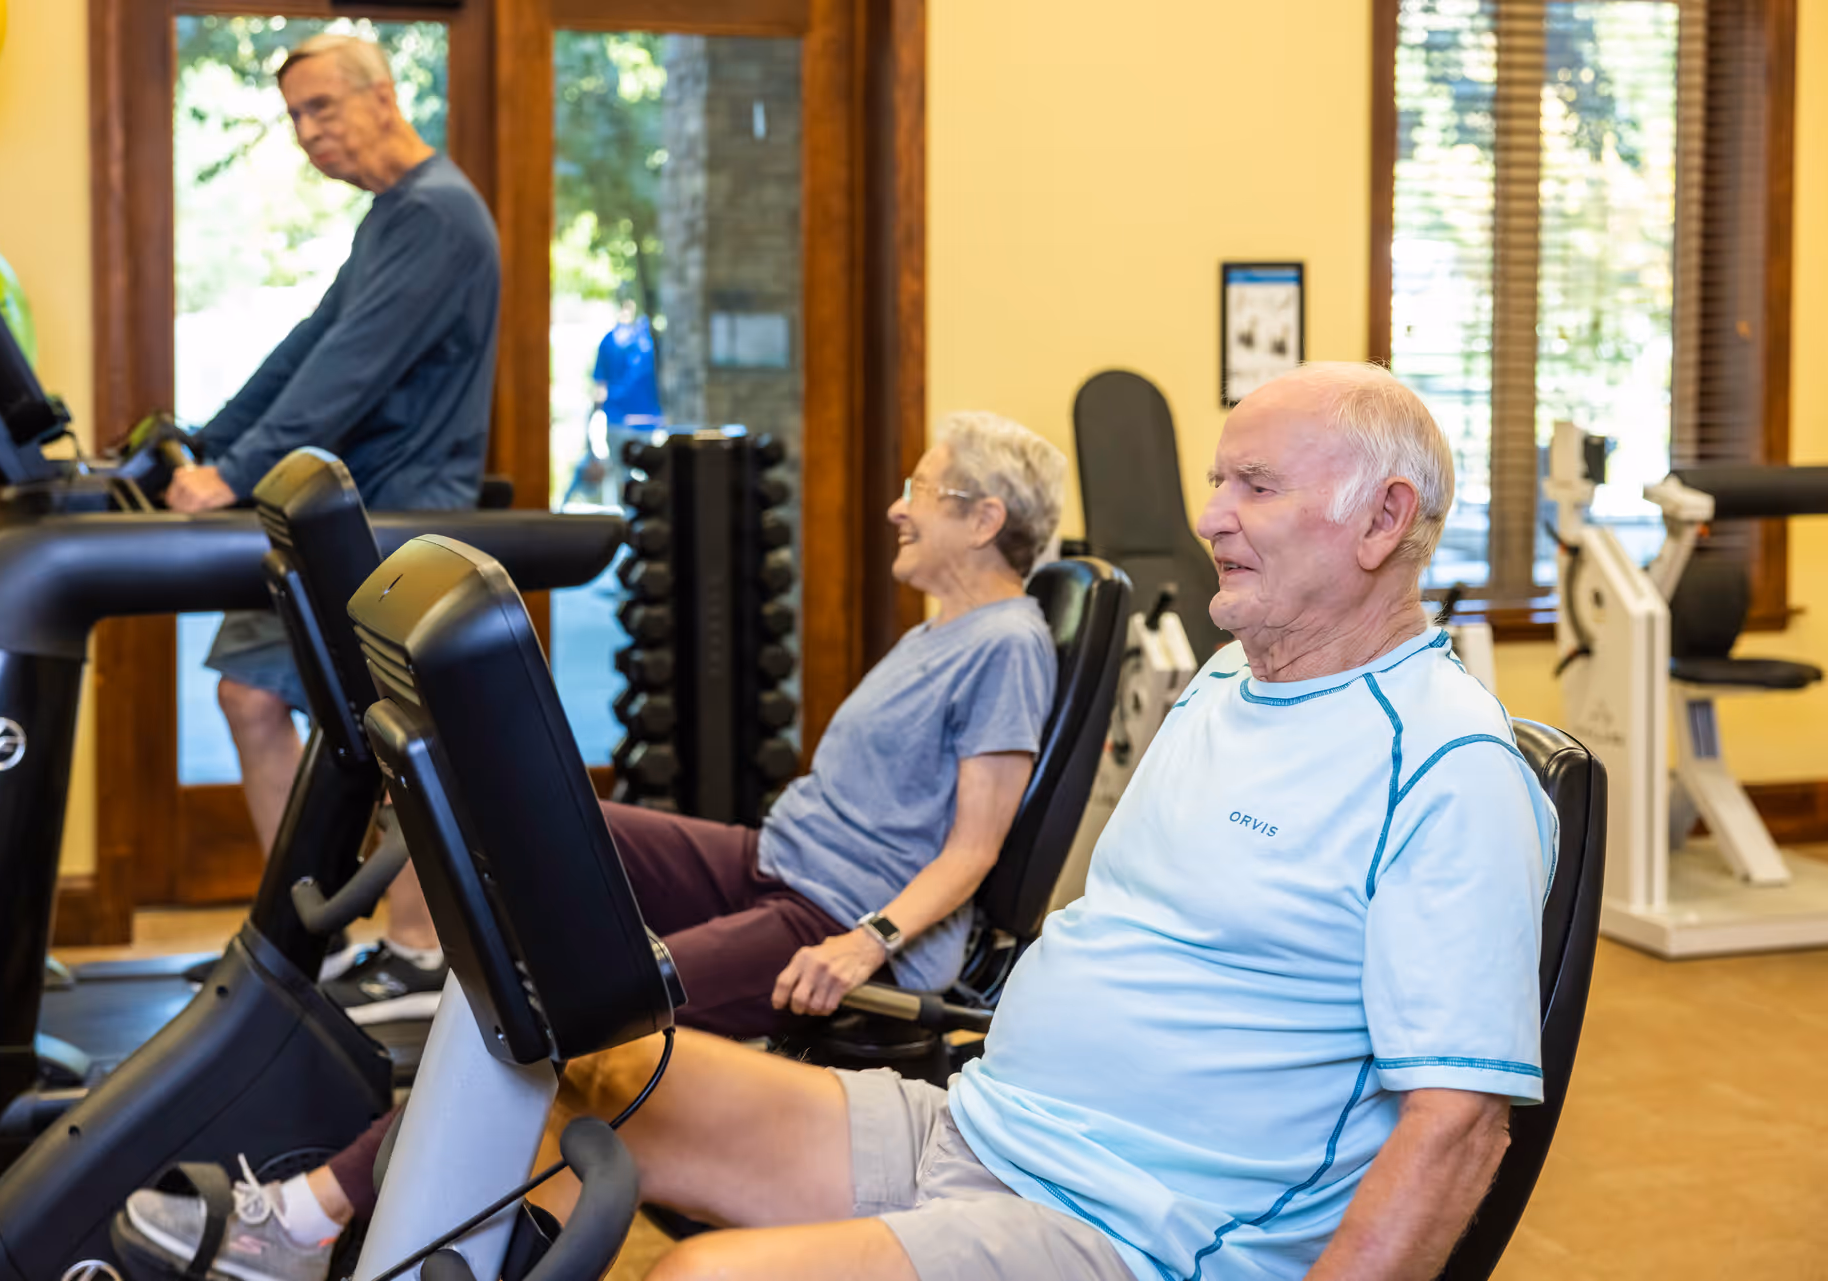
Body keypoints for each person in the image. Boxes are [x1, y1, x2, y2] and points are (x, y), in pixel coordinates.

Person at [506, 361, 1552, 1281]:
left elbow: (1458, 1129)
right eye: (1217, 480)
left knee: (706, 1280)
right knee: (601, 1078)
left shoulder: (1450, 767)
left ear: (1382, 519)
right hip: (987, 1120)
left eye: (1257, 486)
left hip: (1134, 1229)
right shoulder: (1229, 681)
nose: (1209, 515)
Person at [120, 411, 1072, 1279]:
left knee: (567, 1017)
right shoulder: (941, 631)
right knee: (547, 827)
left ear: (984, 520)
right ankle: (448, 1007)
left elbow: (974, 848)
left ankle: (304, 1218)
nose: (897, 508)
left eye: (919, 491)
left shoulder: (1007, 645)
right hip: (776, 859)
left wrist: (863, 941)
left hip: (831, 913)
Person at [165, 34, 501, 1022]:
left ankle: (416, 944)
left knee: (385, 730)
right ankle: (303, 937)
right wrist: (204, 440)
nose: (309, 134)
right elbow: (304, 347)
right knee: (256, 700)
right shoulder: (396, 217)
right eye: (296, 117)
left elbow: (349, 371)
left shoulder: (436, 217)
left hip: (399, 517)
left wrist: (227, 473)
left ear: (383, 95)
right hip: (356, 511)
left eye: (322, 108)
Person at [564, 295, 663, 507]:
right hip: (646, 419)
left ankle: (624, 530)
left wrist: (591, 428)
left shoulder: (610, 341)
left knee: (622, 481)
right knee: (648, 475)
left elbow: (600, 389)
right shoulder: (648, 340)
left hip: (620, 421)